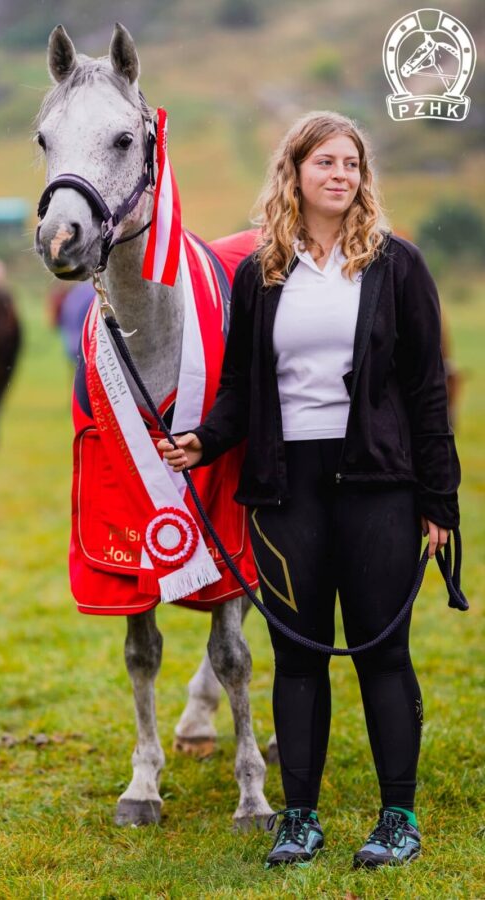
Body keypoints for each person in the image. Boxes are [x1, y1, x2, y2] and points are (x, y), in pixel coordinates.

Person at [158, 111, 461, 869]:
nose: (340, 174)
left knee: (382, 653)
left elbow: (427, 393)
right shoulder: (260, 272)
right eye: (325, 161)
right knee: (297, 657)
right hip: (285, 487)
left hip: (378, 484)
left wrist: (439, 503)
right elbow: (239, 388)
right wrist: (205, 440)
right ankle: (300, 818)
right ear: (294, 172)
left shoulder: (397, 265)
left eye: (351, 164)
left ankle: (398, 818)